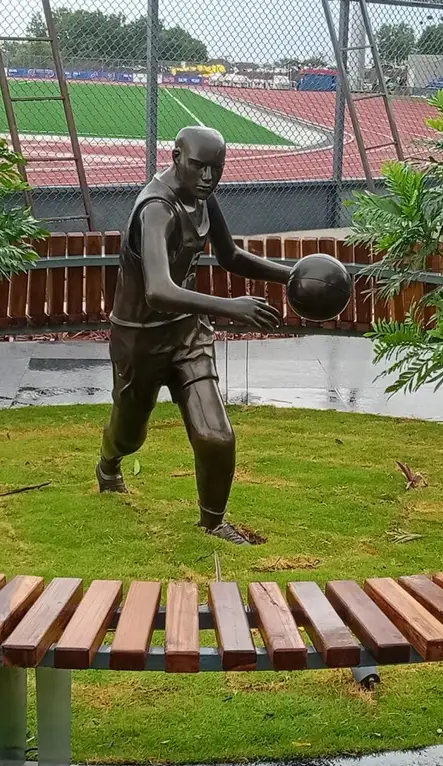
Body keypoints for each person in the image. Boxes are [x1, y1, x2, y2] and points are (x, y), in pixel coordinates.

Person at [96, 125, 289, 544]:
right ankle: (108, 463)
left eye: (216, 170)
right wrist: (232, 307)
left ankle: (213, 522)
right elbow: (158, 290)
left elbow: (231, 255)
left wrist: (290, 276)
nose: (208, 178)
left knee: (216, 434)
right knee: (130, 436)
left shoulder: (202, 198)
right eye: (199, 167)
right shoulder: (156, 211)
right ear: (175, 157)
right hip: (139, 340)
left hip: (187, 335)